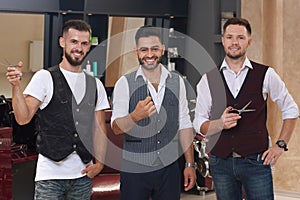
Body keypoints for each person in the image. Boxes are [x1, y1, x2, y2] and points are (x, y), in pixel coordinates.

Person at [193, 17, 299, 200]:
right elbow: (198, 122)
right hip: (221, 162)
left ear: (249, 41)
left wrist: (280, 145)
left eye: (240, 38)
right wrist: (219, 124)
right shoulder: (208, 79)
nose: (235, 42)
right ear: (223, 40)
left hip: (256, 162)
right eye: (230, 37)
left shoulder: (266, 74)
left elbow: (291, 109)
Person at [6, 19, 110, 199]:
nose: (79, 48)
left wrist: (100, 164)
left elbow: (99, 128)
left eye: (84, 43)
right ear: (62, 42)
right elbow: (23, 118)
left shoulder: (96, 85)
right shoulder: (44, 77)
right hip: (50, 178)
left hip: (83, 176)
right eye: (74, 41)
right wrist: (16, 86)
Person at [111, 25, 196, 200]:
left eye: (154, 48)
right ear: (136, 52)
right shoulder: (124, 83)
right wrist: (135, 116)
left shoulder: (177, 82)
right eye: (144, 49)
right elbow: (116, 128)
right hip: (135, 169)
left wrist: (190, 163)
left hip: (169, 168)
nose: (149, 54)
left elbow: (185, 124)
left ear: (163, 49)